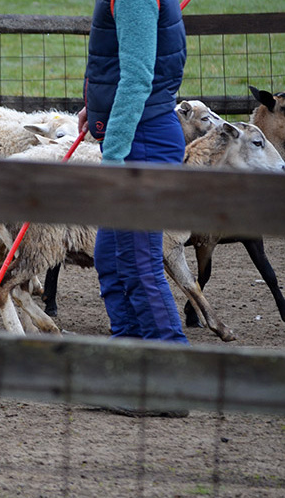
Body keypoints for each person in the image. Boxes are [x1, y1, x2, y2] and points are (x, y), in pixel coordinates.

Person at [79, 0, 190, 346]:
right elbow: (139, 61)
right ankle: (127, 368)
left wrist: (112, 157)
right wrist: (96, 106)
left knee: (138, 264)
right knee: (112, 257)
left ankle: (169, 378)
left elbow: (139, 77)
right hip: (140, 132)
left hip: (141, 140)